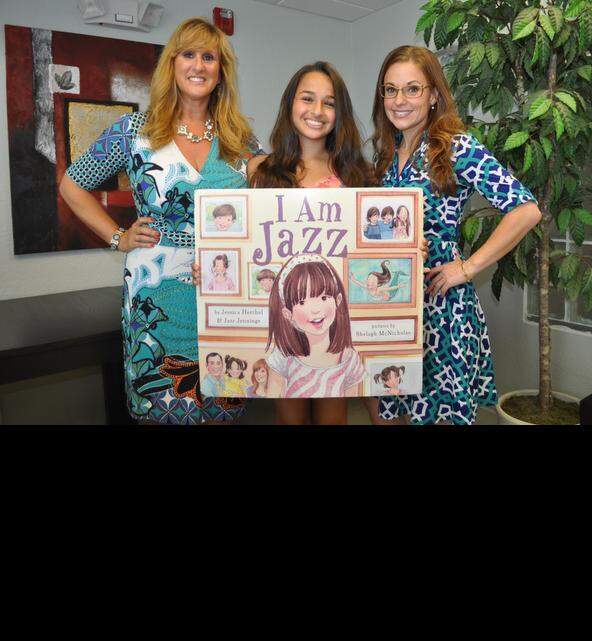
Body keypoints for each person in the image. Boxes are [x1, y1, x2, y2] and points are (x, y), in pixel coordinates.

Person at [194, 61, 421, 424]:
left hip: (334, 332)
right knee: (290, 417)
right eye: (307, 99)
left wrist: (406, 250)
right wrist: (210, 266)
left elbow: (377, 245)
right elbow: (241, 240)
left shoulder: (358, 175)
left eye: (329, 103)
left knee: (334, 417)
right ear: (290, 105)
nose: (317, 111)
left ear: (339, 113)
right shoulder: (261, 172)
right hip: (288, 328)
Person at [60, 17, 260, 424]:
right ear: (172, 64)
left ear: (221, 71)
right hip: (156, 296)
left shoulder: (241, 140)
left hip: (224, 291)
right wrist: (118, 237)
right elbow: (71, 185)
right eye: (188, 55)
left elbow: (270, 207)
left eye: (209, 57)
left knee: (224, 403)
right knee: (163, 406)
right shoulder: (135, 131)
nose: (198, 65)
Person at [368, 45, 542, 425]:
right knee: (397, 404)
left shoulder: (455, 147)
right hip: (394, 302)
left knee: (438, 412)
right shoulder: (386, 154)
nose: (399, 100)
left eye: (412, 89)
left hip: (440, 303)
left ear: (433, 95)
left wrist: (467, 268)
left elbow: (526, 210)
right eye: (390, 90)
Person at [264, 253, 365, 398]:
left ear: (338, 300)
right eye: (302, 302)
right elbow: (272, 398)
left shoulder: (349, 359)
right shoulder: (283, 356)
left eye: (324, 297)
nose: (316, 309)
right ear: (288, 313)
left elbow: (351, 402)